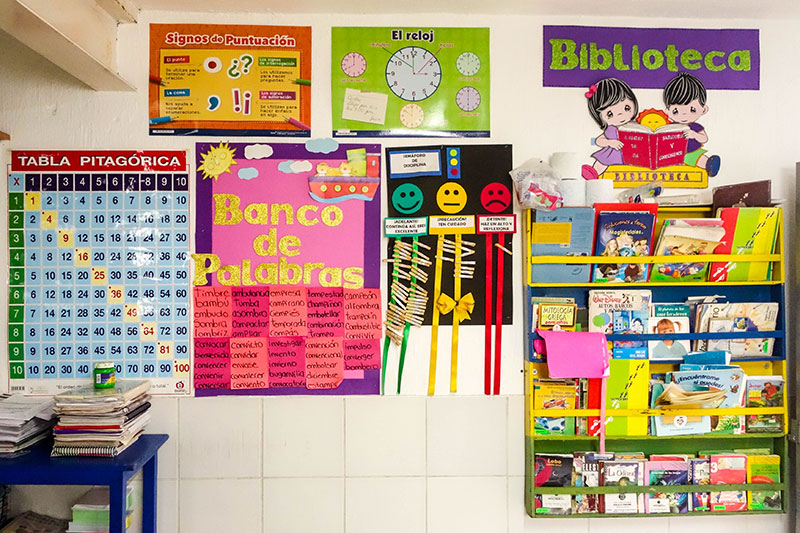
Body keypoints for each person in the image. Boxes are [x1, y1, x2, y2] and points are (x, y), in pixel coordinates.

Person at [662, 72, 721, 177]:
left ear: (703, 109)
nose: (684, 114)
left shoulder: (695, 127)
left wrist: (694, 135)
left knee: (698, 158)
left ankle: (709, 164)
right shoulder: (670, 127)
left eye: (692, 110)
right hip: (672, 154)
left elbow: (704, 139)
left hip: (691, 152)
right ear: (667, 111)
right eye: (676, 111)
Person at [582, 78, 639, 180]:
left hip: (631, 154)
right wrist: (610, 142)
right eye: (610, 114)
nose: (620, 115)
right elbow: (599, 140)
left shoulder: (635, 126)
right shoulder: (611, 129)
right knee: (602, 162)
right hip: (613, 153)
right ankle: (593, 173)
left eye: (626, 108)